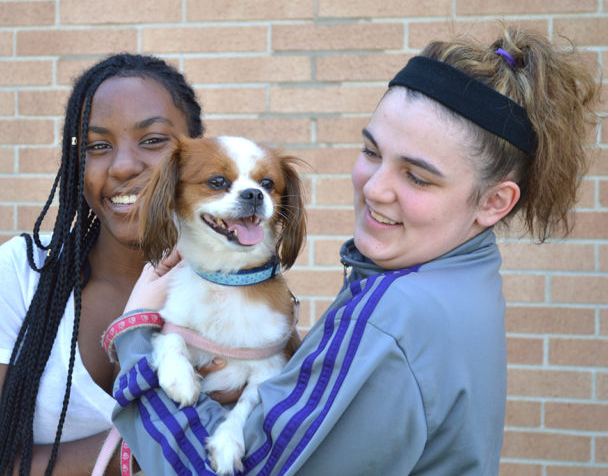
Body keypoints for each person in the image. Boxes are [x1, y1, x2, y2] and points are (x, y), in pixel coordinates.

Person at [103, 26, 599, 475]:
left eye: (417, 176)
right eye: (371, 152)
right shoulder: (466, 281)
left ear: (494, 202)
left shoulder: (391, 321)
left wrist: (134, 334)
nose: (375, 188)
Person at [0, 53, 204, 476]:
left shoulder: (232, 286)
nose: (123, 165)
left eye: (153, 140)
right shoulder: (24, 271)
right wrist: (152, 438)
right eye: (97, 146)